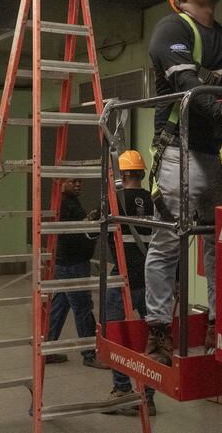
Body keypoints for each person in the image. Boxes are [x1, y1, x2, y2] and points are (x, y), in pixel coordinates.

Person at [144, 0, 222, 366]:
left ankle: (220, 323)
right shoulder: (171, 29)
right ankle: (158, 331)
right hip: (179, 149)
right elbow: (187, 84)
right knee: (169, 240)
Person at [104, 150, 157, 416]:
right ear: (141, 172)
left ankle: (122, 390)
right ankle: (148, 396)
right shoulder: (155, 202)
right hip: (151, 280)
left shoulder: (114, 201)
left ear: (122, 174)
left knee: (118, 336)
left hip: (123, 279)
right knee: (153, 338)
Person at [45, 178, 109, 369]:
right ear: (61, 183)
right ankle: (90, 354)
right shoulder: (64, 204)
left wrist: (87, 222)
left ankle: (47, 348)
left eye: (79, 181)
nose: (78, 184)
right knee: (83, 307)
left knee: (60, 305)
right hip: (72, 264)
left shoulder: (69, 202)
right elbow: (71, 233)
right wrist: (88, 223)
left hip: (67, 263)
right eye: (73, 182)